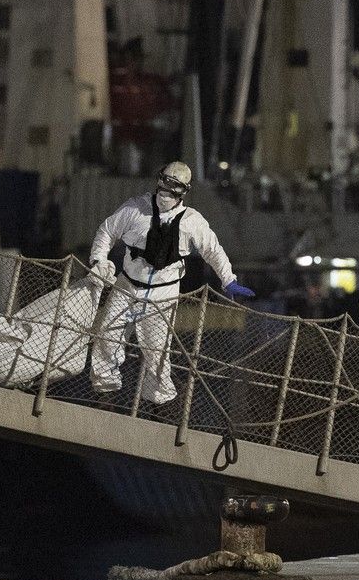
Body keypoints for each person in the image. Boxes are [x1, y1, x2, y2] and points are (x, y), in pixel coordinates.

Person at [89, 161, 254, 405]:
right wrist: (97, 260)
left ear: (184, 191)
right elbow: (107, 231)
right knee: (107, 337)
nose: (167, 190)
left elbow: (212, 250)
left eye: (174, 186)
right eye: (165, 181)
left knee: (157, 354)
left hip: (162, 296)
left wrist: (228, 280)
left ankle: (159, 405)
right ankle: (105, 396)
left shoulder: (191, 222)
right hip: (127, 287)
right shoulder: (135, 209)